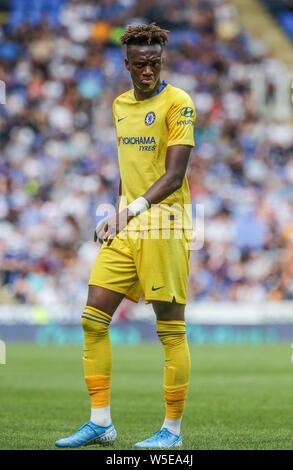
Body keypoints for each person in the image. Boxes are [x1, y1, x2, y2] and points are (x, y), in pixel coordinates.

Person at [55, 22, 196, 449]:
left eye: (154, 62)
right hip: (128, 221)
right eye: (140, 64)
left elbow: (173, 176)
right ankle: (101, 422)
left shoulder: (179, 102)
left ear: (162, 60)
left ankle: (171, 432)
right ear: (127, 64)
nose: (148, 70)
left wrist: (127, 213)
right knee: (92, 316)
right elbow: (128, 171)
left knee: (169, 328)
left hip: (166, 223)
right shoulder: (119, 105)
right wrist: (119, 211)